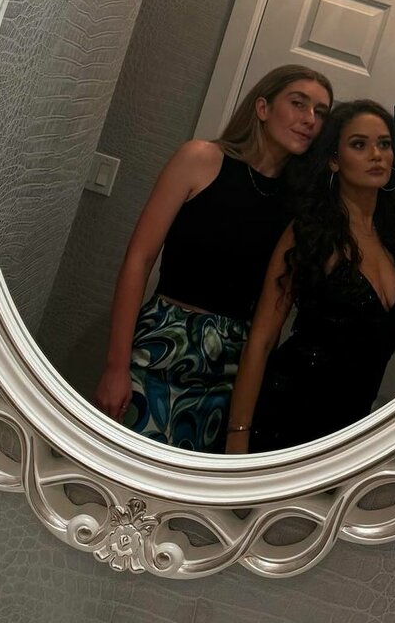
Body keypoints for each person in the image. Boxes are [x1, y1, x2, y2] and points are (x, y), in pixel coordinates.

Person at [94, 64, 333, 452]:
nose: (310, 119)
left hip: (232, 369)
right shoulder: (201, 159)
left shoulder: (300, 204)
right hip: (162, 346)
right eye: (298, 103)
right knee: (122, 466)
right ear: (262, 108)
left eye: (320, 113)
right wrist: (115, 366)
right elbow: (139, 259)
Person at [225, 99, 395, 454]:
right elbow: (261, 340)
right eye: (359, 144)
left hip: (352, 429)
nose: (376, 155)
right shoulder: (308, 232)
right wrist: (238, 435)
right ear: (334, 160)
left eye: (384, 144)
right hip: (285, 414)